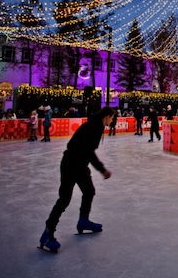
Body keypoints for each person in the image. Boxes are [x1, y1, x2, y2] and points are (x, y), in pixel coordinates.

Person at [39, 106, 116, 253]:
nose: (112, 121)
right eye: (111, 118)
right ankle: (47, 234)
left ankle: (83, 221)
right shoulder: (94, 127)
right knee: (64, 199)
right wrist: (102, 169)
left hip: (80, 164)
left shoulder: (95, 126)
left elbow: (87, 152)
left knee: (89, 191)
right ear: (106, 117)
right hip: (71, 164)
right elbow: (89, 152)